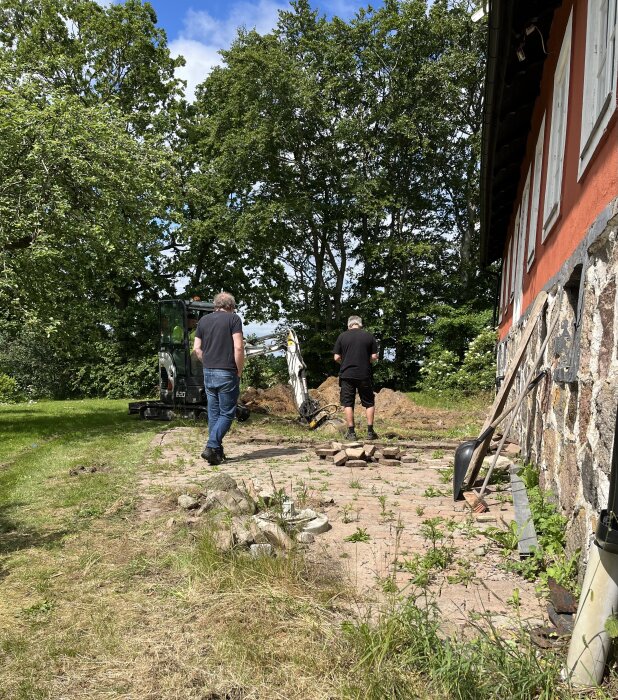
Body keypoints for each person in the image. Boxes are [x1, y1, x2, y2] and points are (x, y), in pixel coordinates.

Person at [193, 292, 244, 464]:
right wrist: (239, 370)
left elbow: (197, 349)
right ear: (231, 306)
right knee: (227, 413)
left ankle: (216, 454)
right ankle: (211, 445)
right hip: (227, 372)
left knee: (214, 414)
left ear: (215, 305)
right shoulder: (233, 319)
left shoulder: (203, 321)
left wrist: (207, 361)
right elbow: (238, 348)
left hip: (208, 372)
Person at [333, 315, 379, 441]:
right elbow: (374, 357)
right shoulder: (369, 336)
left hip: (347, 374)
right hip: (364, 374)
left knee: (348, 402)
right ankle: (370, 432)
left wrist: (344, 362)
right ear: (360, 324)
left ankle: (351, 433)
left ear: (349, 325)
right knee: (369, 402)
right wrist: (366, 361)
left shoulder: (342, 336)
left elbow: (336, 357)